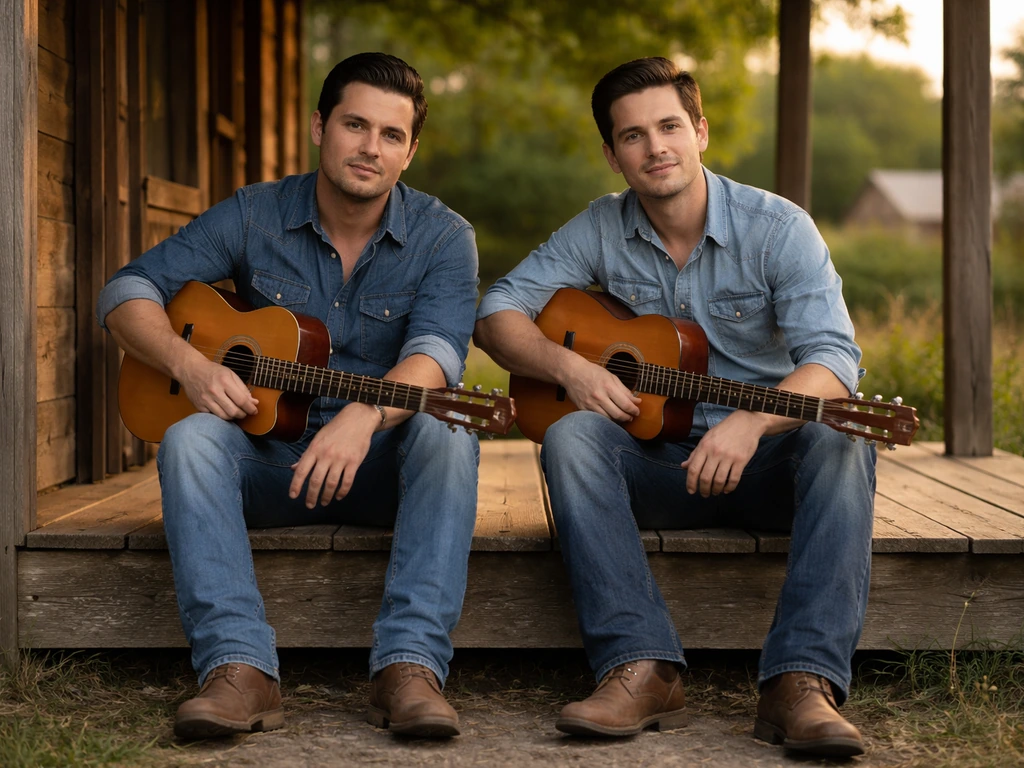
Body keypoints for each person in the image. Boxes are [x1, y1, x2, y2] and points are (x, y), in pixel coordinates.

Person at [474, 57, 875, 757]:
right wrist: (568, 365)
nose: (655, 147)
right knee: (570, 437)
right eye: (632, 136)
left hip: (765, 471)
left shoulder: (779, 228)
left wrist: (751, 422)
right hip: (658, 466)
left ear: (700, 132)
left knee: (842, 438)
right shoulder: (599, 227)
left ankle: (800, 684)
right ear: (612, 153)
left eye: (668, 127)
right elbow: (497, 311)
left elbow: (835, 363)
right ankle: (641, 668)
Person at [98, 52, 480, 740]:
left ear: (410, 151)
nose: (370, 148)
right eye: (354, 125)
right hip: (270, 462)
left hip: (383, 470)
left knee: (449, 429)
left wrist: (364, 416)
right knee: (189, 438)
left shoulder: (445, 236)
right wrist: (188, 363)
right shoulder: (253, 214)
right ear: (318, 126)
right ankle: (240, 668)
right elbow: (126, 292)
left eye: (391, 135)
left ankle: (410, 667)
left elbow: (437, 357)